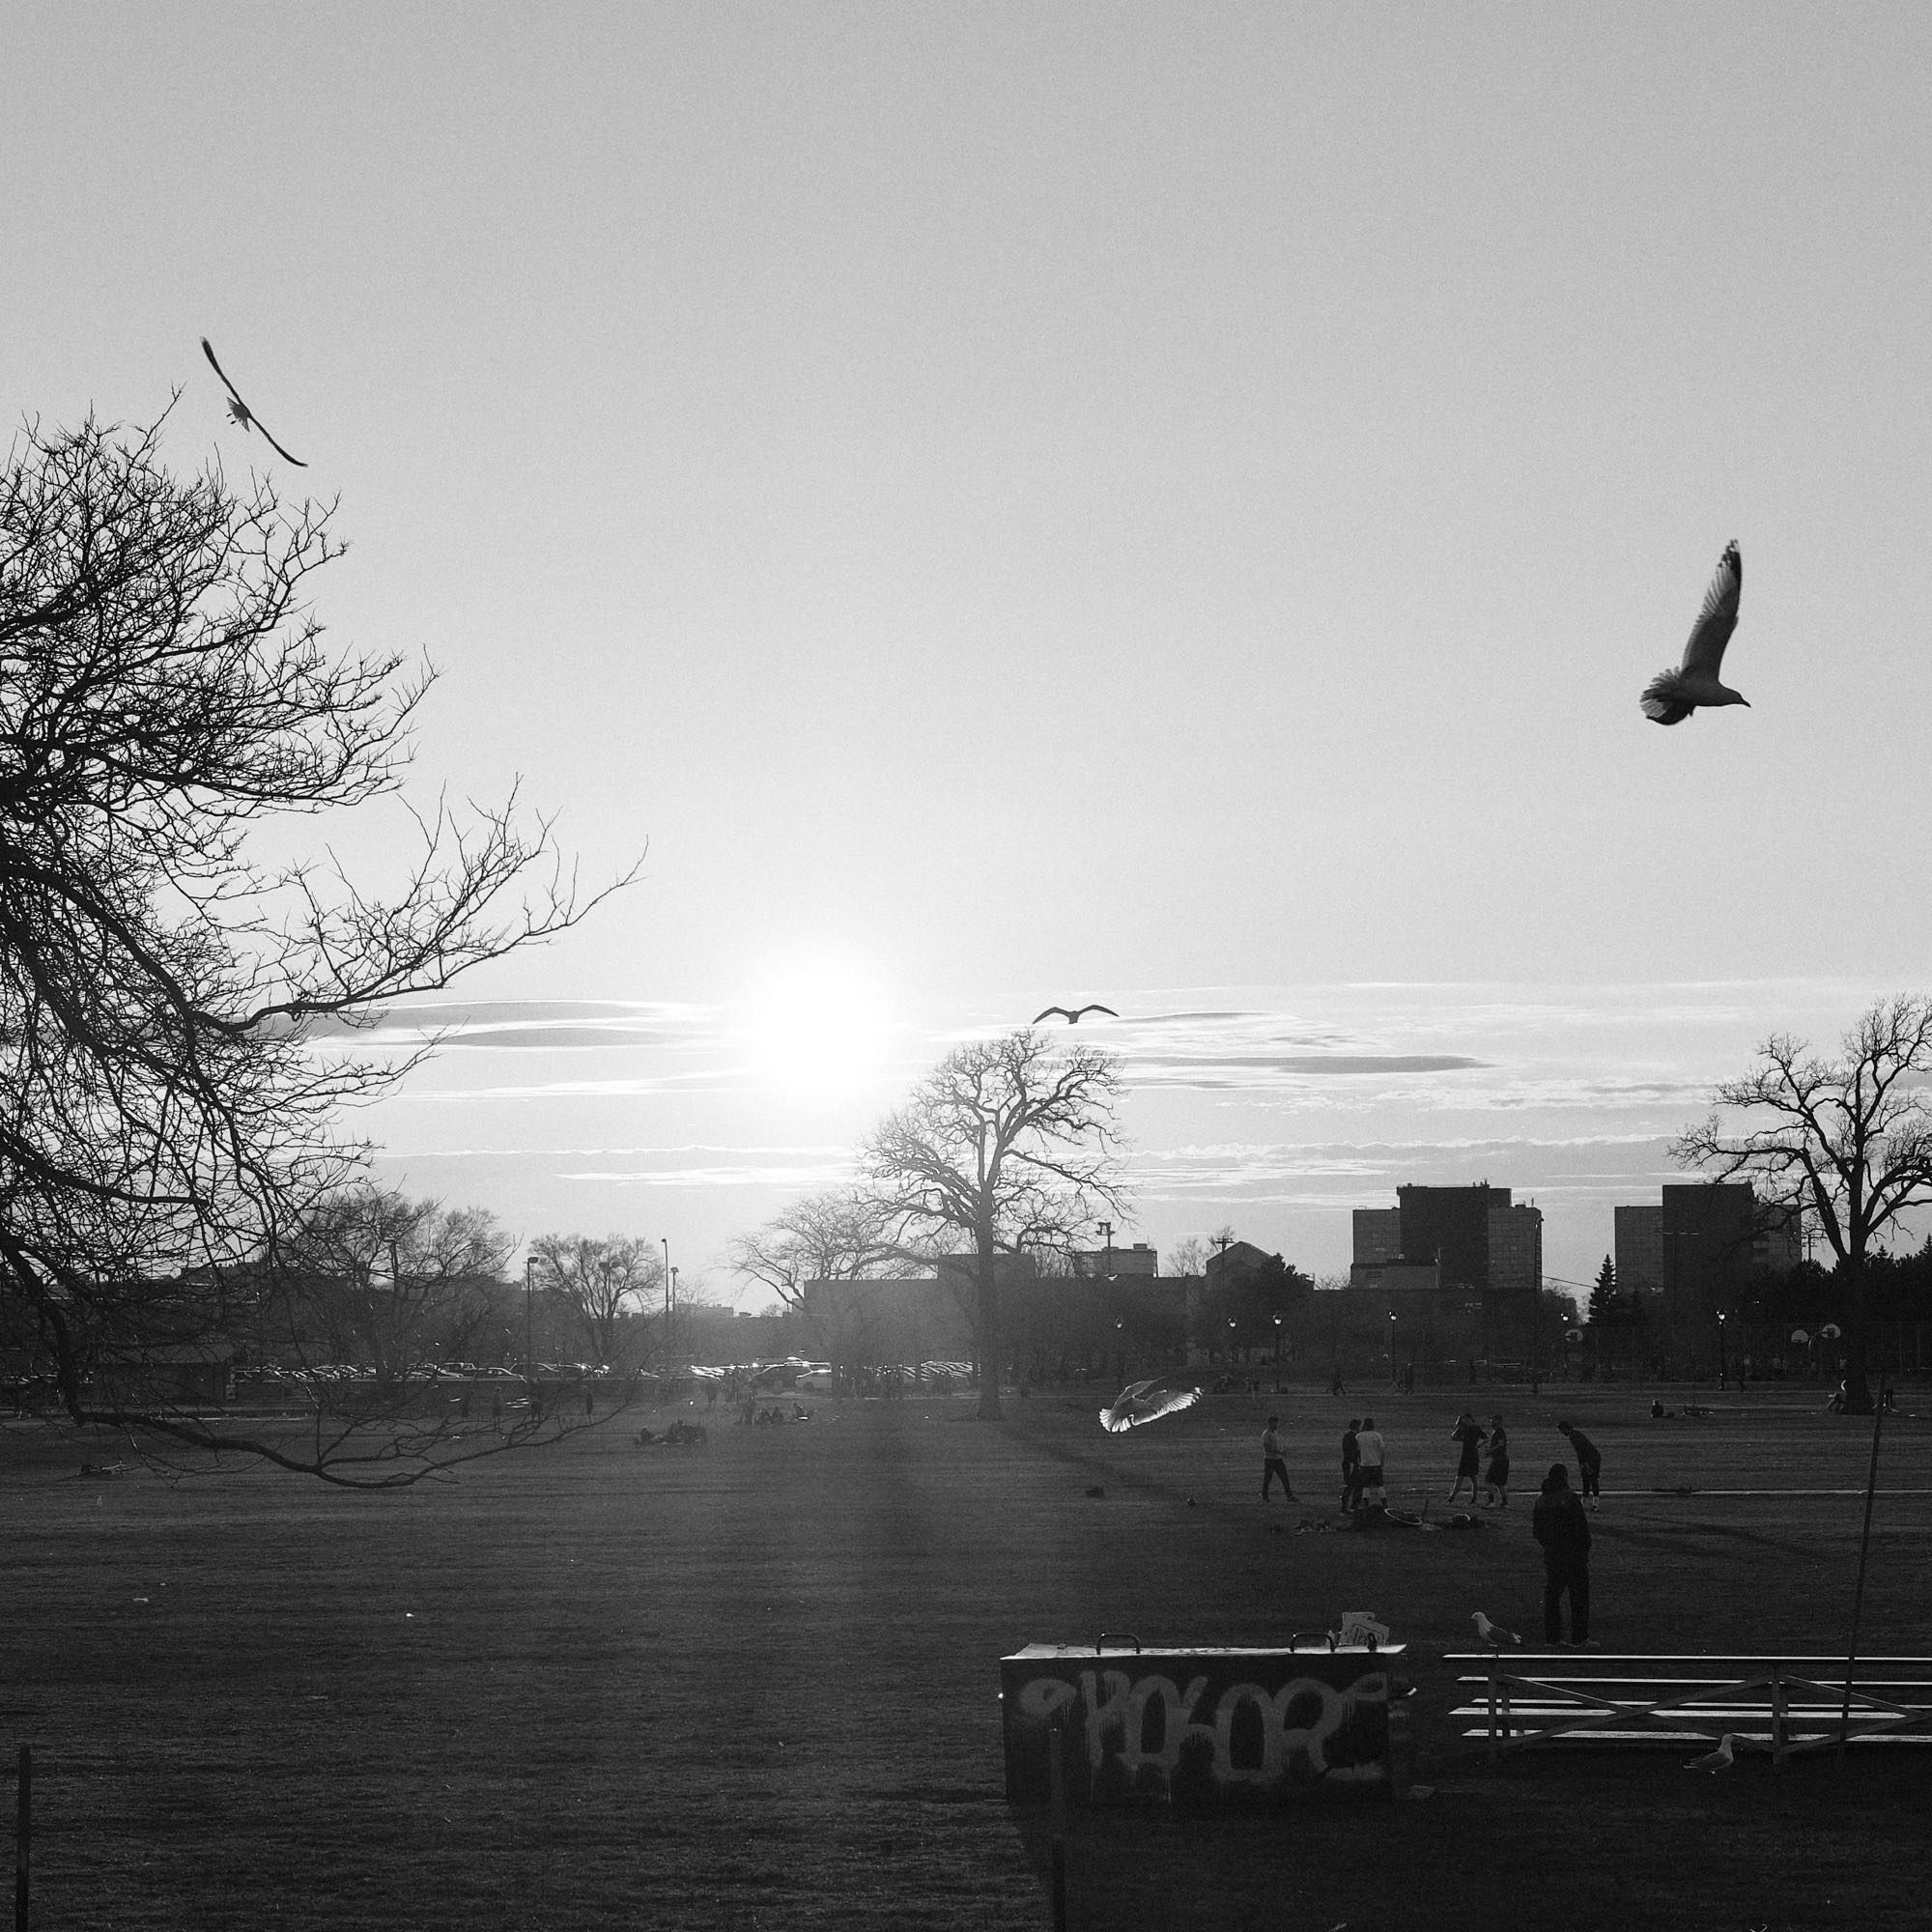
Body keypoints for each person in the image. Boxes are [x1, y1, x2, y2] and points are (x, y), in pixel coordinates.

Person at [1533, 1462, 1592, 1644]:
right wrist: (1583, 1548)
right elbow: (1581, 1528)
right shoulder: (1570, 1498)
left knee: (1552, 1598)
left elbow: (1537, 1531)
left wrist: (1549, 1545)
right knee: (1579, 1598)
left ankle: (1553, 1638)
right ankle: (1579, 1639)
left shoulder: (1541, 1501)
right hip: (1574, 1555)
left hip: (1552, 1555)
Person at [1558, 1419, 1602, 1508]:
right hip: (1593, 1458)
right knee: (1589, 1480)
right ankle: (1591, 1503)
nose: (1562, 1433)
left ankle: (1592, 1504)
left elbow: (1581, 1451)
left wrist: (1585, 1465)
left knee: (1590, 1480)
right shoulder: (1576, 1434)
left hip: (1591, 1460)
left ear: (1565, 1429)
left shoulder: (1573, 1436)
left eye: (1562, 1430)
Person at [1448, 1410, 1486, 1504]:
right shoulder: (1476, 1428)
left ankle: (1452, 1498)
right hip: (1472, 1455)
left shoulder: (1465, 1428)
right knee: (1472, 1477)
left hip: (1467, 1456)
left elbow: (1453, 1437)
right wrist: (1478, 1445)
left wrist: (1458, 1427)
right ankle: (1473, 1498)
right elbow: (1486, 1439)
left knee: (1461, 1478)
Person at [1262, 1415, 1295, 1502]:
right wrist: (1279, 1452)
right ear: (1270, 1423)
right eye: (1274, 1423)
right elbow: (1267, 1447)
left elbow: (1277, 1444)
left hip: (1277, 1459)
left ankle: (1289, 1496)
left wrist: (1281, 1450)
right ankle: (1265, 1496)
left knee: (1284, 1478)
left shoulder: (1275, 1433)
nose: (1276, 1425)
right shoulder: (1266, 1434)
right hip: (1270, 1459)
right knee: (1268, 1479)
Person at [1354, 1415, 1386, 1508]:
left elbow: (1357, 1449)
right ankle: (1384, 1504)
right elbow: (1382, 1449)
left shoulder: (1359, 1436)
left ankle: (1366, 1504)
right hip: (1376, 1463)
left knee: (1366, 1486)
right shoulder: (1377, 1435)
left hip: (1364, 1463)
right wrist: (1381, 1461)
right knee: (1380, 1485)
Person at [1484, 1414, 1511, 1509]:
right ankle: (1504, 1502)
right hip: (1502, 1459)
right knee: (1500, 1483)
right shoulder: (1496, 1431)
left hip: (1499, 1460)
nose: (1491, 1421)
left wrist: (1490, 1450)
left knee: (1488, 1481)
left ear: (1499, 1421)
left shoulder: (1499, 1431)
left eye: (1493, 1420)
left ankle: (1491, 1502)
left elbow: (1501, 1444)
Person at [1340, 1418, 1362, 1513]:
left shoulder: (1347, 1436)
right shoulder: (1353, 1437)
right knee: (1352, 1486)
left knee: (1350, 1486)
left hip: (1348, 1464)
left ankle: (1348, 1507)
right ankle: (1349, 1507)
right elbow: (1353, 1452)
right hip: (1352, 1465)